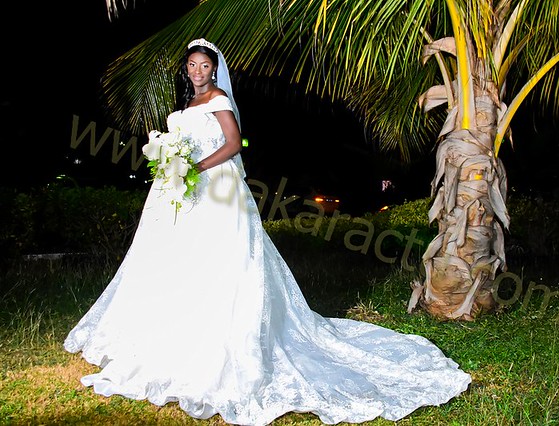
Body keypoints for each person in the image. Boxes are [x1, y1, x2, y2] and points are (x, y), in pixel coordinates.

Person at [64, 38, 472, 425]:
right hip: (181, 188)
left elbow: (233, 142)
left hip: (216, 187)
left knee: (222, 259)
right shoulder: (189, 100)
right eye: (192, 65)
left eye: (205, 66)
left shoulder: (220, 100)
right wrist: (172, 160)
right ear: (186, 69)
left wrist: (197, 167)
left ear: (214, 69)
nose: (198, 71)